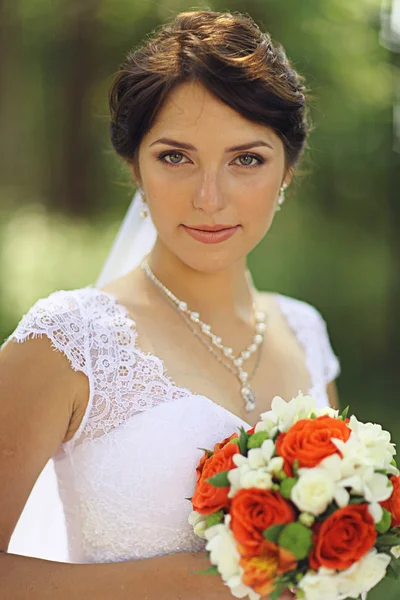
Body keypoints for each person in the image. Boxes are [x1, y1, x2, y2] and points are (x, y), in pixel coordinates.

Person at [0, 9, 341, 600]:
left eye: (247, 159)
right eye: (175, 157)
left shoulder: (305, 329)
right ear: (134, 165)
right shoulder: (68, 340)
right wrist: (176, 583)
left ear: (288, 170)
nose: (209, 198)